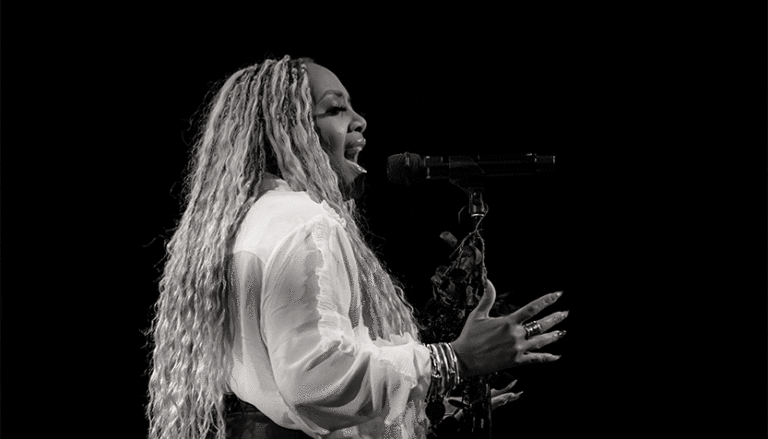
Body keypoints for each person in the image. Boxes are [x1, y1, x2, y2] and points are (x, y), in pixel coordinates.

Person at [145, 55, 568, 439]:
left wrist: (415, 412)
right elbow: (315, 382)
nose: (361, 120)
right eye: (335, 108)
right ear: (288, 129)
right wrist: (453, 359)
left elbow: (293, 385)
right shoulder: (304, 223)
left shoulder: (249, 220)